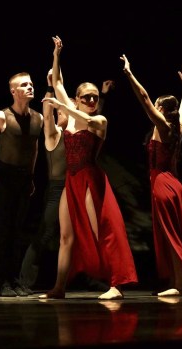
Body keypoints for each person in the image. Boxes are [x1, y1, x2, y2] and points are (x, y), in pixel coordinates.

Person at [39, 36, 138, 300]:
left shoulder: (99, 120)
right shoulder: (71, 114)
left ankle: (116, 285)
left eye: (95, 97)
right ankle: (59, 287)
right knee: (65, 236)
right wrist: (57, 54)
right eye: (87, 97)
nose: (92, 100)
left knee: (102, 230)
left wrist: (64, 107)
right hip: (72, 179)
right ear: (78, 98)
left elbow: (80, 116)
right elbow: (58, 82)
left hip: (91, 178)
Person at [19, 70, 111, 292]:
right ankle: (27, 281)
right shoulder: (54, 133)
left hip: (78, 182)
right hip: (58, 188)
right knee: (49, 233)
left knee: (86, 232)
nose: (68, 114)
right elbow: (50, 112)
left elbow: (92, 120)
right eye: (66, 110)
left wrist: (102, 96)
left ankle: (96, 277)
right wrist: (51, 87)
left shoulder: (77, 128)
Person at [120, 54, 182, 296]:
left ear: (161, 108)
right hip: (175, 185)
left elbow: (143, 98)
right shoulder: (178, 125)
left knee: (171, 234)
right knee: (172, 233)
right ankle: (177, 282)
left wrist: (129, 74)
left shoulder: (162, 124)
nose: (153, 105)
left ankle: (179, 285)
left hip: (163, 183)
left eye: (156, 104)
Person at [0, 70, 44, 297]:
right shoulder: (1, 117)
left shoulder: (38, 118)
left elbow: (34, 148)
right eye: (24, 85)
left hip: (24, 178)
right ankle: (3, 282)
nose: (30, 87)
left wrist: (32, 176)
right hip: (4, 176)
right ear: (13, 91)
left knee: (19, 230)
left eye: (31, 83)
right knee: (3, 230)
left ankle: (16, 280)